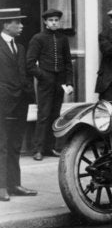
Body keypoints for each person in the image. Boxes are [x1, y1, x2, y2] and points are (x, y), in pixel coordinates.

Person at [25, 8, 73, 160]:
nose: (54, 23)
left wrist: (69, 82)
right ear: (45, 22)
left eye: (56, 20)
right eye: (51, 20)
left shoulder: (63, 38)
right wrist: (43, 76)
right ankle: (37, 149)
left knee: (55, 115)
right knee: (43, 115)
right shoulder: (38, 38)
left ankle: (50, 148)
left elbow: (67, 62)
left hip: (60, 82)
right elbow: (30, 64)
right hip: (45, 83)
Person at [0, 8, 37, 201]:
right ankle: (2, 187)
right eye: (18, 22)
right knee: (2, 145)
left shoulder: (20, 47)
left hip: (20, 103)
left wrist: (28, 94)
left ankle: (14, 185)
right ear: (6, 24)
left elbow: (24, 73)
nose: (21, 26)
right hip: (3, 102)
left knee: (15, 145)